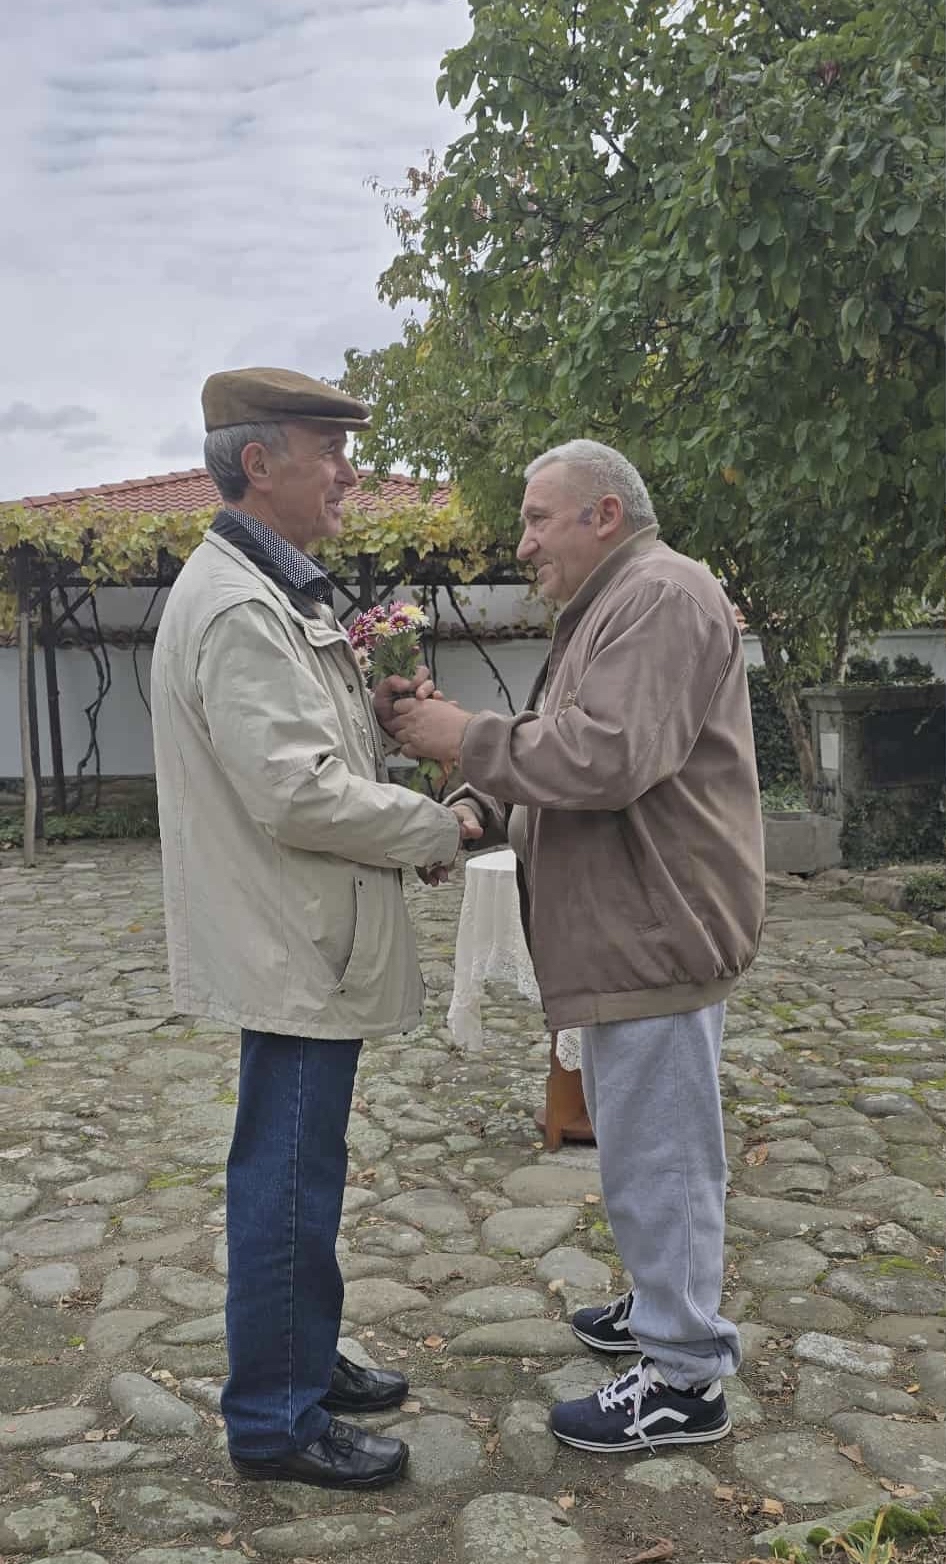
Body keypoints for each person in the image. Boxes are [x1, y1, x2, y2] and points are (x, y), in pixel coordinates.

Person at [392, 439, 765, 1454]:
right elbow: (566, 744)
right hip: (630, 927)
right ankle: (661, 1306)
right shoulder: (617, 602)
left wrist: (464, 737)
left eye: (536, 518)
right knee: (639, 1140)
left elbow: (606, 757)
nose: (522, 544)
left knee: (661, 1158)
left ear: (604, 514)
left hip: (654, 927)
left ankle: (684, 1376)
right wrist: (476, 805)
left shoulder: (660, 596)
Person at [151, 366, 477, 1489]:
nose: (349, 471)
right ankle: (275, 1419)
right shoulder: (242, 608)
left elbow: (307, 756)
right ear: (259, 463)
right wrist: (434, 825)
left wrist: (374, 725)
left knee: (301, 1169)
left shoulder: (268, 590)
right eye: (327, 448)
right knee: (287, 1178)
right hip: (292, 940)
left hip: (298, 932)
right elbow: (296, 794)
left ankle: (297, 1355)